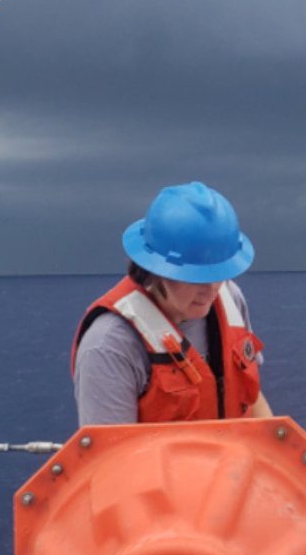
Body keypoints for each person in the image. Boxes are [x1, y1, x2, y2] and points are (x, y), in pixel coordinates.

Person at [71, 181, 272, 425]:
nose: (211, 291)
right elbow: (109, 457)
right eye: (195, 278)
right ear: (156, 270)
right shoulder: (109, 346)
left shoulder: (230, 298)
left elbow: (251, 398)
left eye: (218, 274)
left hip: (237, 460)